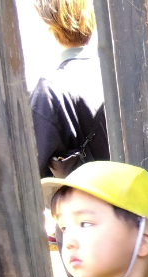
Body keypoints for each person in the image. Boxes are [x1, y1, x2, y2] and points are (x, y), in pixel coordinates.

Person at [30, 0, 109, 178]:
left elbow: (29, 175)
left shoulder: (49, 91)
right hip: (134, 192)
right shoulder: (116, 75)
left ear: (47, 25)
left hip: (87, 195)